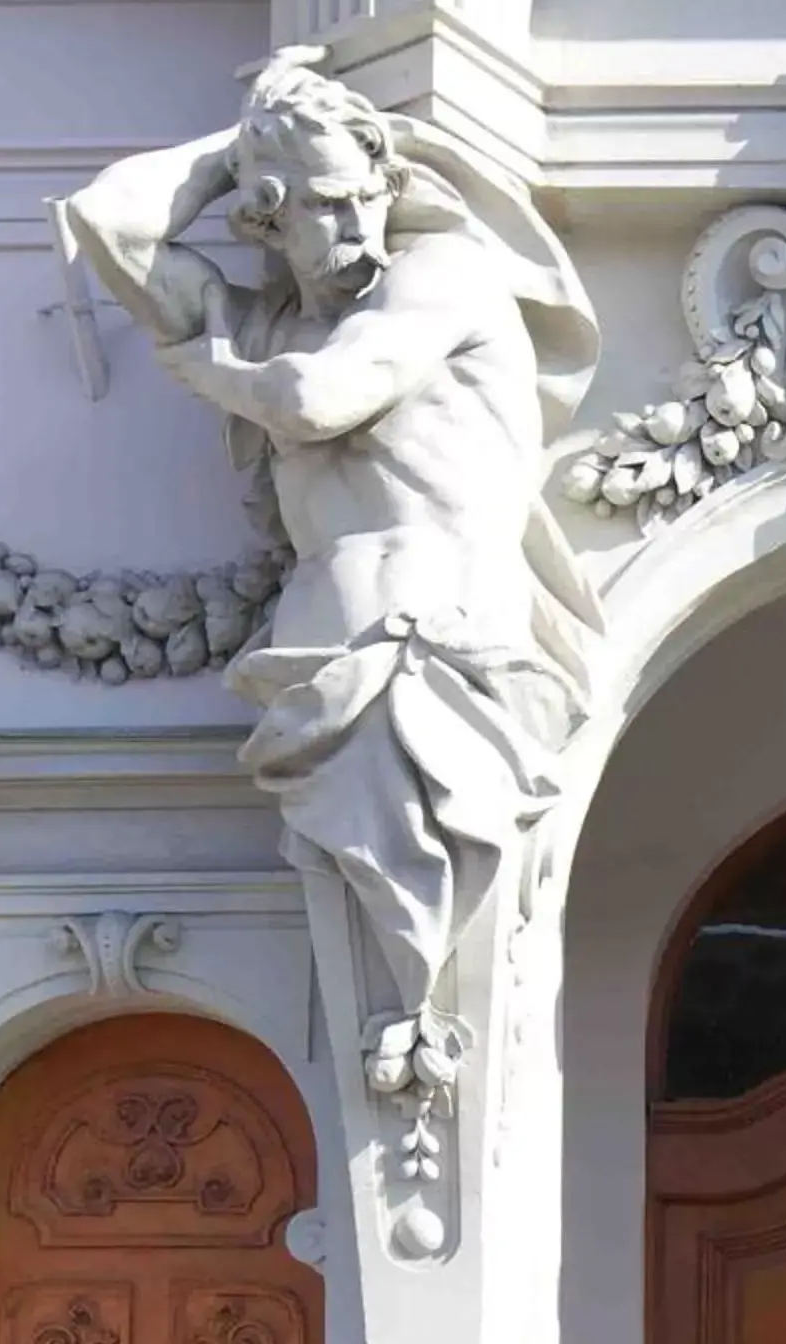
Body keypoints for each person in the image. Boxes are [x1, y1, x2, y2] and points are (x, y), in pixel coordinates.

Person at [65, 54, 602, 1026]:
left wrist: (213, 370)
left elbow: (319, 399)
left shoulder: (444, 273)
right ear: (266, 217)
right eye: (323, 207)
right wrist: (246, 140)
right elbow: (107, 222)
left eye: (365, 198)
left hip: (438, 644)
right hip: (322, 642)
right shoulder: (268, 323)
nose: (359, 227)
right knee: (382, 959)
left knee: (432, 964)